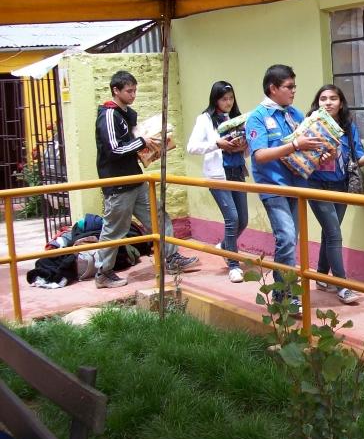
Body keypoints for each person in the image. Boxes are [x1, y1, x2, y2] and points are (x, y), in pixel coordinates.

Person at [94, 70, 198, 288]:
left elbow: (130, 147)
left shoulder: (125, 114)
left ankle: (171, 258)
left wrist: (151, 148)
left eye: (135, 90)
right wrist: (142, 141)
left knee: (159, 217)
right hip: (118, 184)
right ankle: (103, 273)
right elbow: (115, 149)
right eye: (128, 91)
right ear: (116, 91)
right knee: (114, 230)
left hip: (136, 180)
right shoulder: (109, 116)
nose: (133, 95)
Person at [245, 64, 325, 314]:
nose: (293, 92)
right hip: (274, 187)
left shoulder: (295, 114)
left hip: (297, 187)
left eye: (294, 87)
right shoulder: (257, 117)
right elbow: (259, 155)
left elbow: (305, 146)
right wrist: (295, 145)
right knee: (287, 239)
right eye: (289, 87)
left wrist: (320, 152)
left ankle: (282, 294)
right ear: (273, 88)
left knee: (291, 241)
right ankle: (286, 296)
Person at [307, 84, 364, 304]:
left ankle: (321, 275)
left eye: (333, 98)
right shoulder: (311, 124)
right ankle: (342, 285)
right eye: (323, 98)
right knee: (334, 234)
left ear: (341, 103)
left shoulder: (348, 127)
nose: (328, 102)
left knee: (329, 231)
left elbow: (357, 157)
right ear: (318, 103)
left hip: (340, 185)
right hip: (315, 185)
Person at [187, 81, 250, 283]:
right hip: (217, 175)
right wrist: (217, 144)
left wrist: (243, 146)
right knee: (232, 218)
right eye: (224, 99)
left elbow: (248, 150)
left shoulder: (237, 118)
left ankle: (225, 245)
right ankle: (233, 264)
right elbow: (192, 147)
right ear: (215, 100)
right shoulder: (205, 119)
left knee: (243, 220)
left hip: (237, 172)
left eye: (231, 98)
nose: (228, 102)